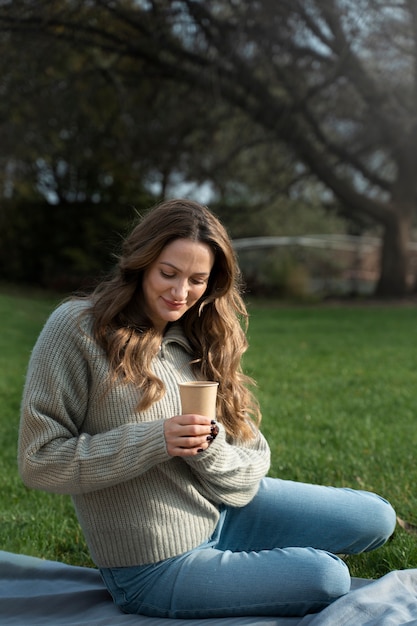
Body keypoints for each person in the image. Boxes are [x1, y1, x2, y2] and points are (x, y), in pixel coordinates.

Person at [18, 198, 396, 620]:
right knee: (328, 578)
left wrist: (209, 450)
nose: (181, 293)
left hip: (225, 511)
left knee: (376, 517)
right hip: (154, 565)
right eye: (168, 273)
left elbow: (253, 460)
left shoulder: (201, 335)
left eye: (197, 279)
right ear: (141, 263)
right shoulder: (79, 330)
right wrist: (156, 439)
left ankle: (251, 559)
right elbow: (39, 462)